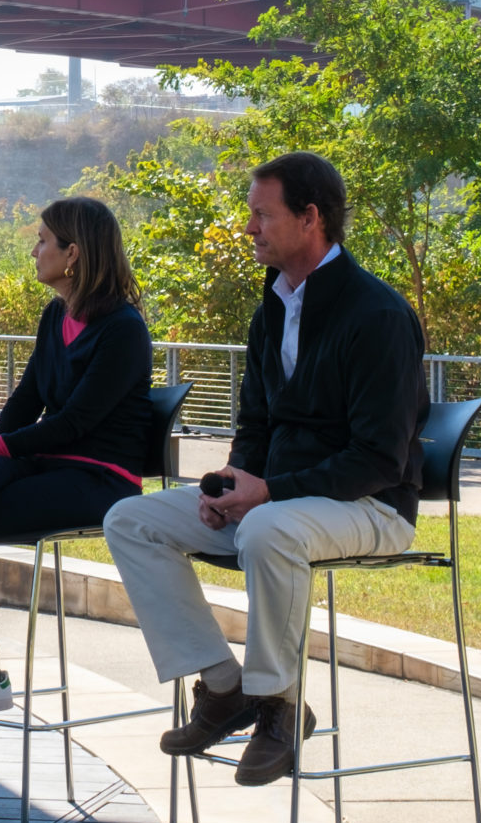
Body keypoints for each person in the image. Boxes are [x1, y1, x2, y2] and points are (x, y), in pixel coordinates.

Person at [104, 151, 427, 787]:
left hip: (372, 506)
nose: (249, 228)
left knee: (266, 531)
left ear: (310, 219)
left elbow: (379, 458)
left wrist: (270, 492)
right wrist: (231, 484)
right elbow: (255, 424)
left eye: (262, 215)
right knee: (131, 518)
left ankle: (280, 705)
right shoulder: (272, 308)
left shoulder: (378, 316)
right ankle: (226, 688)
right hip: (278, 505)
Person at [0, 195, 156, 721]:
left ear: (74, 253)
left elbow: (75, 423)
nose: (35, 251)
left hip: (101, 480)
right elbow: (25, 404)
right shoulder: (55, 315)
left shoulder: (124, 329)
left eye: (43, 241)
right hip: (53, 465)